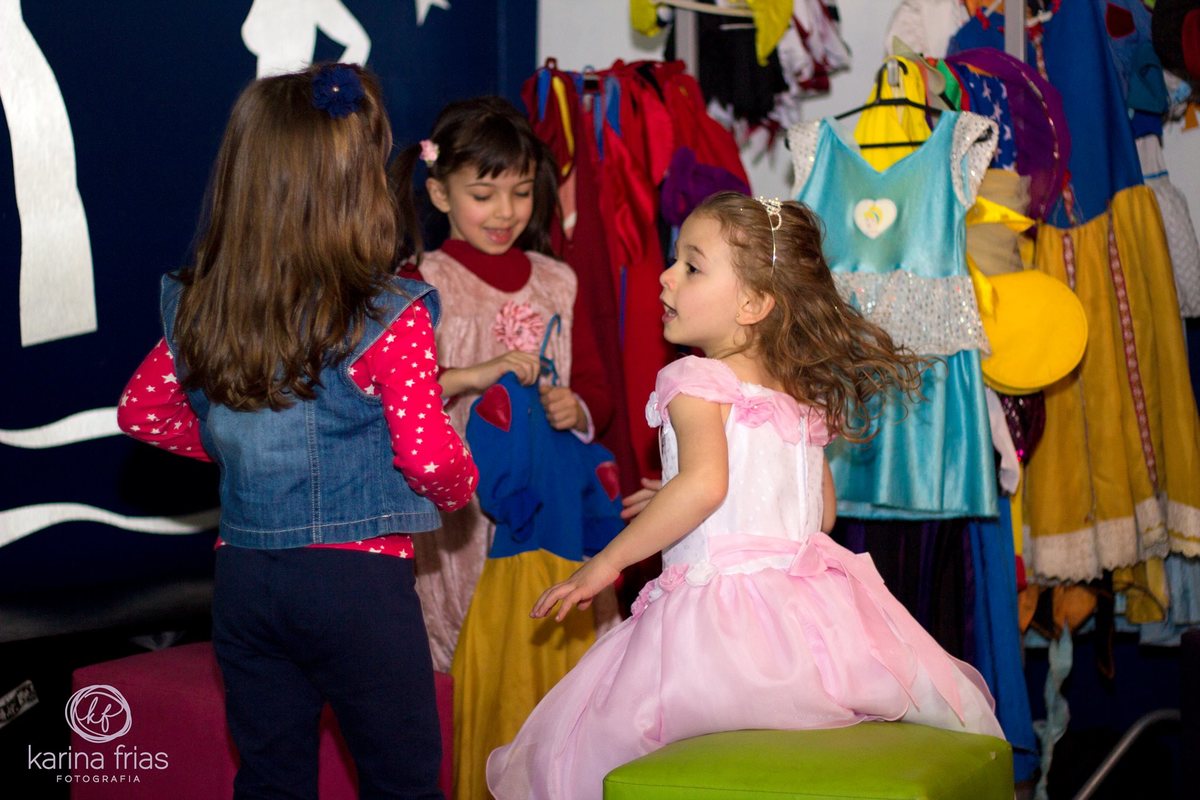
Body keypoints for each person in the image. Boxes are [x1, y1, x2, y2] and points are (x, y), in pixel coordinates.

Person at [487, 192, 1006, 800]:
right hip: (813, 628)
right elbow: (819, 515)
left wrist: (606, 563)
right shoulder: (799, 395)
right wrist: (679, 500)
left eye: (692, 266)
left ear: (753, 304)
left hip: (721, 632)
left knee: (589, 739)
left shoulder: (692, 378)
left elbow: (706, 486)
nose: (666, 276)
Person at [116, 63, 476, 799]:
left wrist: (237, 447)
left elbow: (142, 411)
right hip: (359, 584)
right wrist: (459, 488)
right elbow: (428, 456)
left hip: (245, 581)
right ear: (358, 188)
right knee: (402, 779)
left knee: (271, 778)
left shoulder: (204, 305)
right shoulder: (391, 314)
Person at [389, 95, 618, 800]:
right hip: (461, 516)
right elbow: (396, 394)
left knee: (551, 673)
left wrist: (576, 407)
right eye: (483, 194)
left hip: (550, 511)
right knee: (472, 665)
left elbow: (598, 387)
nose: (505, 211)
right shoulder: (423, 281)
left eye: (520, 193)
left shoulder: (557, 280)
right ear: (439, 193)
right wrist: (473, 375)